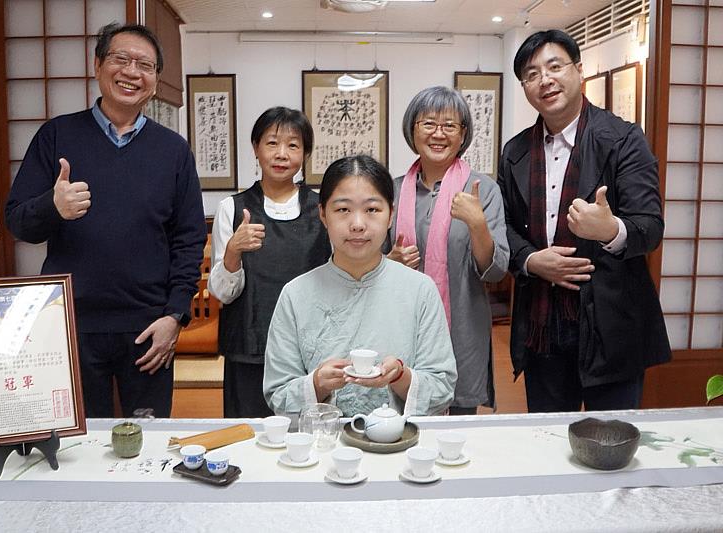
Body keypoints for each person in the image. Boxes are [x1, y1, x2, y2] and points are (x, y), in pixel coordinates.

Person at [5, 23, 206, 418]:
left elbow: (189, 239)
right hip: (72, 324)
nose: (132, 72)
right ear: (98, 65)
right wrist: (52, 206)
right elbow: (18, 222)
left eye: (145, 65)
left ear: (154, 80)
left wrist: (175, 316)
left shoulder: (173, 150)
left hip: (149, 327)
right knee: (78, 445)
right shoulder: (57, 135)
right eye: (121, 59)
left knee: (147, 446)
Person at [497, 30, 670, 413]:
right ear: (525, 86)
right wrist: (529, 260)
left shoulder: (623, 139)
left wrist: (611, 230)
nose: (544, 79)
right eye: (531, 73)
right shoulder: (515, 152)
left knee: (610, 445)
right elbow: (503, 225)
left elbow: (650, 227)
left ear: (578, 70)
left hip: (611, 324)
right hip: (542, 324)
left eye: (554, 66)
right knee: (547, 441)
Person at [263, 155, 457, 417]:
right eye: (343, 209)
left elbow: (443, 387)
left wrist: (400, 375)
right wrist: (317, 383)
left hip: (399, 446)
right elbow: (278, 393)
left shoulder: (420, 290)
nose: (357, 224)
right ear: (323, 214)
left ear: (391, 214)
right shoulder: (296, 294)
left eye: (372, 210)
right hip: (323, 447)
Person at [387, 86, 509, 415]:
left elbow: (496, 270)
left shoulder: (484, 190)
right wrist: (390, 261)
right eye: (428, 124)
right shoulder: (392, 190)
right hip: (399, 330)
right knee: (397, 420)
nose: (438, 134)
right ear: (412, 129)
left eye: (450, 126)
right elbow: (366, 263)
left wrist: (477, 224)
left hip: (462, 331)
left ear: (463, 134)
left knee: (456, 435)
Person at [209, 106, 330, 418]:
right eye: (272, 143)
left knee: (305, 437)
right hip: (249, 346)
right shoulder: (231, 209)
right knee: (248, 437)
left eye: (293, 145)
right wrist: (234, 251)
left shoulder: (323, 209)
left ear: (305, 154)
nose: (281, 154)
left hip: (308, 348)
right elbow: (223, 294)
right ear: (256, 148)